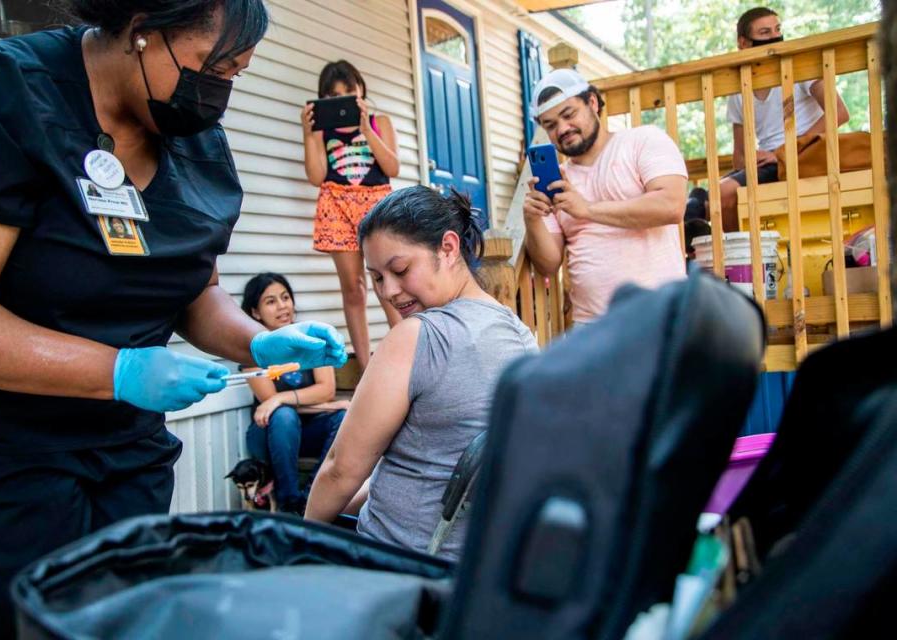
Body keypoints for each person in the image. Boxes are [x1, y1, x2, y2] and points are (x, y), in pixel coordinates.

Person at [0, 1, 347, 636]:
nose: (220, 94)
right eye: (213, 67)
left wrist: (262, 342)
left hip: (128, 457)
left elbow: (195, 293)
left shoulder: (196, 143)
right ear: (141, 30)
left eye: (235, 75)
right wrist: (116, 369)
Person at [305, 186, 538, 560]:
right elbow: (436, 465)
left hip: (398, 563)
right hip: (473, 562)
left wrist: (301, 542)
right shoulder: (520, 335)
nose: (390, 291)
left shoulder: (417, 337)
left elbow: (340, 469)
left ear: (447, 248)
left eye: (400, 269)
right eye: (377, 278)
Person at [523, 68, 688, 325]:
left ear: (592, 103)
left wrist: (587, 209)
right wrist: (532, 220)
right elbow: (549, 263)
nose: (563, 129)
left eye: (569, 114)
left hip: (661, 320)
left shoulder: (642, 140)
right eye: (550, 125)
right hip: (592, 331)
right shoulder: (558, 181)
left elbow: (671, 205)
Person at [302, 60, 402, 370]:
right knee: (354, 288)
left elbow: (392, 167)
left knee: (387, 282)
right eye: (332, 95)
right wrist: (308, 135)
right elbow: (317, 176)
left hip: (376, 205)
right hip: (337, 206)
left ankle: (408, 351)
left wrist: (364, 130)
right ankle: (365, 367)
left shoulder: (378, 121)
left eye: (349, 91)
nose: (342, 98)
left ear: (361, 90)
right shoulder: (321, 131)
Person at [720, 6, 850, 231]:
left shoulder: (800, 67)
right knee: (703, 198)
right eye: (764, 33)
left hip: (804, 153)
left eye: (777, 30)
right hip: (771, 162)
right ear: (743, 43)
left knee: (725, 190)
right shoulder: (738, 90)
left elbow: (839, 112)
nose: (775, 37)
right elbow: (739, 155)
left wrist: (782, 151)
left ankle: (741, 259)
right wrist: (753, 160)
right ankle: (740, 256)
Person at [241, 273, 349, 514]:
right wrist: (282, 402)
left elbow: (326, 389)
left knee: (342, 419)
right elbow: (271, 406)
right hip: (268, 434)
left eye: (285, 298)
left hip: (309, 432)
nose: (282, 306)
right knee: (284, 415)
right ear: (256, 313)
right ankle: (289, 501)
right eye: (270, 301)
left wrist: (281, 398)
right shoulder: (252, 352)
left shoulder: (310, 341)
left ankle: (312, 495)